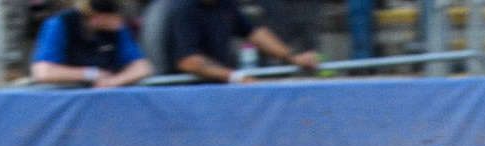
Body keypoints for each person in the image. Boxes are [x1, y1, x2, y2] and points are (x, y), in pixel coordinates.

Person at [153, 0, 318, 82]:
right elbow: (189, 61)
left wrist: (292, 57)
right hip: (181, 94)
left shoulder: (224, 4)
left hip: (216, 89)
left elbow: (253, 32)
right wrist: (235, 76)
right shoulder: (181, 9)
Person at [30, 0, 153, 87]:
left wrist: (113, 81)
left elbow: (142, 68)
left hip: (103, 97)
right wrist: (92, 74)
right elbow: (43, 72)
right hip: (67, 98)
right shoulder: (60, 24)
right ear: (98, 17)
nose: (120, 21)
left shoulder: (118, 30)